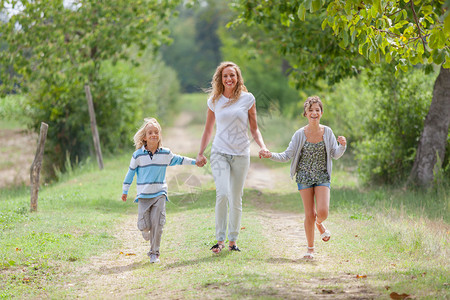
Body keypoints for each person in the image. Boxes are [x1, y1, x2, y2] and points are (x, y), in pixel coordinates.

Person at [259, 96, 346, 259]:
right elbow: (287, 155)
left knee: (322, 212)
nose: (314, 113)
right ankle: (310, 250)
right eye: (310, 110)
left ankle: (319, 224)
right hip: (304, 177)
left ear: (321, 113)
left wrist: (342, 145)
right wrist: (270, 154)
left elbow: (335, 154)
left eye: (317, 110)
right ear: (305, 114)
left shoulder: (328, 132)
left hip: (322, 176)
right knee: (309, 214)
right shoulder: (299, 134)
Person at [196, 61, 268, 253]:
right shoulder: (214, 100)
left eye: (232, 75)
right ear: (220, 78)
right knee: (223, 194)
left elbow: (254, 128)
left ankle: (233, 241)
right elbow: (208, 129)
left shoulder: (248, 99)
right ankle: (219, 240)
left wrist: (262, 146)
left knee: (236, 198)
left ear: (238, 78)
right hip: (219, 152)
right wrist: (201, 152)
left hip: (241, 154)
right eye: (225, 76)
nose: (229, 79)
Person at [122, 118, 200, 263]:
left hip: (159, 194)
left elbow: (180, 159)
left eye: (156, 132)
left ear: (160, 135)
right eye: (150, 132)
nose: (153, 134)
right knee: (145, 226)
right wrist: (125, 190)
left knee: (157, 224)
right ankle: (146, 232)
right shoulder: (138, 155)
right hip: (144, 195)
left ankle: (154, 253)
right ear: (144, 137)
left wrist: (195, 162)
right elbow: (130, 172)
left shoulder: (165, 154)